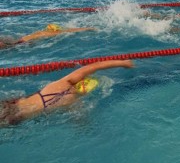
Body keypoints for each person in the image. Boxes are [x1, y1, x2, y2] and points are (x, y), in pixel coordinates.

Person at [0, 60, 134, 126]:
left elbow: (92, 67)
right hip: (19, 117)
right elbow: (80, 119)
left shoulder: (63, 83)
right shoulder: (71, 101)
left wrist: (121, 62)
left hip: (15, 106)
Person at [0, 24, 96, 50]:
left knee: (62, 32)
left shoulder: (32, 37)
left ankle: (87, 28)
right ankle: (88, 28)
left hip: (24, 40)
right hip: (23, 41)